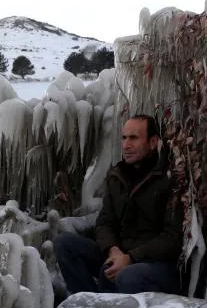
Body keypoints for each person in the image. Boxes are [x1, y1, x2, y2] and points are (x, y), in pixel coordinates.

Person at [53, 114, 184, 295]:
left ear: (153, 142)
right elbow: (104, 222)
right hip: (120, 255)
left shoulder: (170, 178)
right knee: (65, 244)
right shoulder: (117, 177)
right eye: (124, 138)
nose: (126, 145)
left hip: (156, 264)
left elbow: (172, 238)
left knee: (128, 276)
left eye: (134, 138)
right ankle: (87, 304)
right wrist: (112, 250)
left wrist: (131, 258)